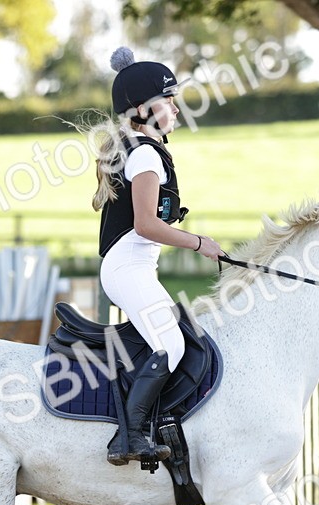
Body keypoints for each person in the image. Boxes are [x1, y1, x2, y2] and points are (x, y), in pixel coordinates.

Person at [92, 46, 224, 466]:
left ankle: (154, 425)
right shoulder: (145, 153)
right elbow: (147, 225)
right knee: (169, 342)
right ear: (143, 108)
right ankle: (127, 438)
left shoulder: (142, 147)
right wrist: (200, 243)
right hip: (127, 266)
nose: (176, 110)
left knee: (176, 339)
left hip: (133, 266)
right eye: (169, 102)